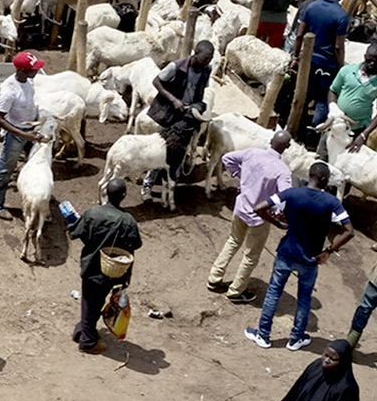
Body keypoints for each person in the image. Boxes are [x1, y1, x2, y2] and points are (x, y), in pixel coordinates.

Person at [248, 161, 353, 351]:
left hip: (287, 252)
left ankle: (263, 335)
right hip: (311, 258)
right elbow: (349, 231)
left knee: (274, 292)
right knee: (304, 298)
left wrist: (278, 224)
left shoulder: (291, 194)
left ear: (309, 176)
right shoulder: (332, 202)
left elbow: (259, 207)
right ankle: (296, 338)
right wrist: (328, 251)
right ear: (324, 179)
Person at [210, 130, 293, 304]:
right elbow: (286, 196)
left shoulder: (252, 153)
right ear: (287, 147)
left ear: (270, 141)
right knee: (250, 256)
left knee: (233, 241)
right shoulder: (282, 171)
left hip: (241, 208)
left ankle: (214, 277)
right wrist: (280, 215)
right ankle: (236, 291)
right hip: (260, 219)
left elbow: (227, 159)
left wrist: (241, 177)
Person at [70, 178, 141, 352]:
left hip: (90, 265)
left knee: (89, 300)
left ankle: (82, 330)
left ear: (106, 193)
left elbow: (76, 233)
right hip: (110, 270)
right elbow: (136, 244)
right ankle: (87, 341)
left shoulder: (93, 212)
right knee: (95, 302)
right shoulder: (127, 220)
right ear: (123, 195)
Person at [145, 41, 213, 197]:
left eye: (209, 59)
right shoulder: (177, 66)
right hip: (170, 114)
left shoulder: (206, 70)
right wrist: (173, 99)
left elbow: (201, 91)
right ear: (195, 54)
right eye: (204, 59)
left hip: (187, 116)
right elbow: (156, 81)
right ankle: (148, 185)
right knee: (161, 150)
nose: (206, 62)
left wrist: (197, 106)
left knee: (180, 152)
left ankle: (170, 188)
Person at [0, 52, 44, 216]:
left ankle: (34, 202)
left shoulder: (28, 81)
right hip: (16, 135)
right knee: (5, 169)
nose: (37, 71)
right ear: (21, 70)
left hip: (30, 131)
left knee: (35, 164)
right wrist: (25, 135)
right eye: (33, 69)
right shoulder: (9, 91)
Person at [292, 0, 351, 125]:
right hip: (327, 64)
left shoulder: (311, 7)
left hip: (307, 60)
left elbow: (299, 34)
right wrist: (340, 66)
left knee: (301, 93)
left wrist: (295, 55)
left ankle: (294, 126)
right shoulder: (342, 16)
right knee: (323, 100)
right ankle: (313, 130)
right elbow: (338, 46)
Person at [332, 45, 377, 151]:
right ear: (365, 56)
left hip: (357, 130)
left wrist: (364, 134)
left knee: (345, 161)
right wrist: (333, 107)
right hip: (336, 125)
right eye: (369, 60)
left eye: (376, 62)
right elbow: (333, 90)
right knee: (323, 158)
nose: (372, 64)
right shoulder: (347, 71)